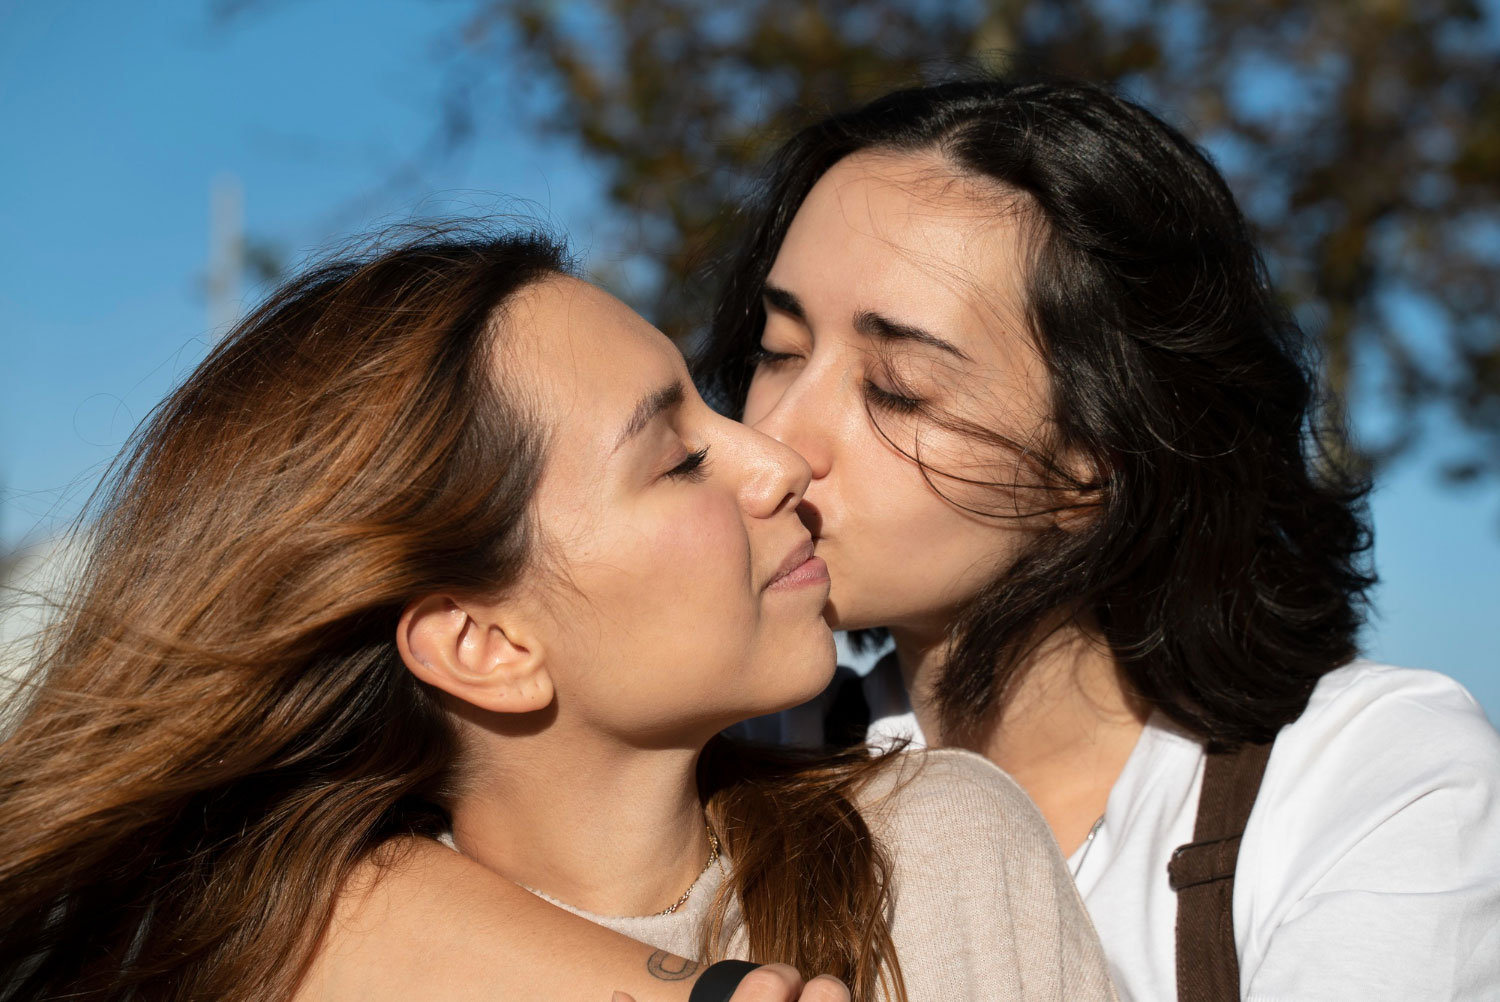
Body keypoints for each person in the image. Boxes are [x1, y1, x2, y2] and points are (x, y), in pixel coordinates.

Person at [0, 225, 1115, 1002]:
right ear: (486, 645)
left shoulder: (933, 851)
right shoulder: (284, 952)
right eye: (679, 459)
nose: (776, 461)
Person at [694, 77, 1500, 1001]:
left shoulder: (1366, 783)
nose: (779, 440)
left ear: (1098, 458)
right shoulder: (729, 755)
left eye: (899, 388)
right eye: (779, 349)